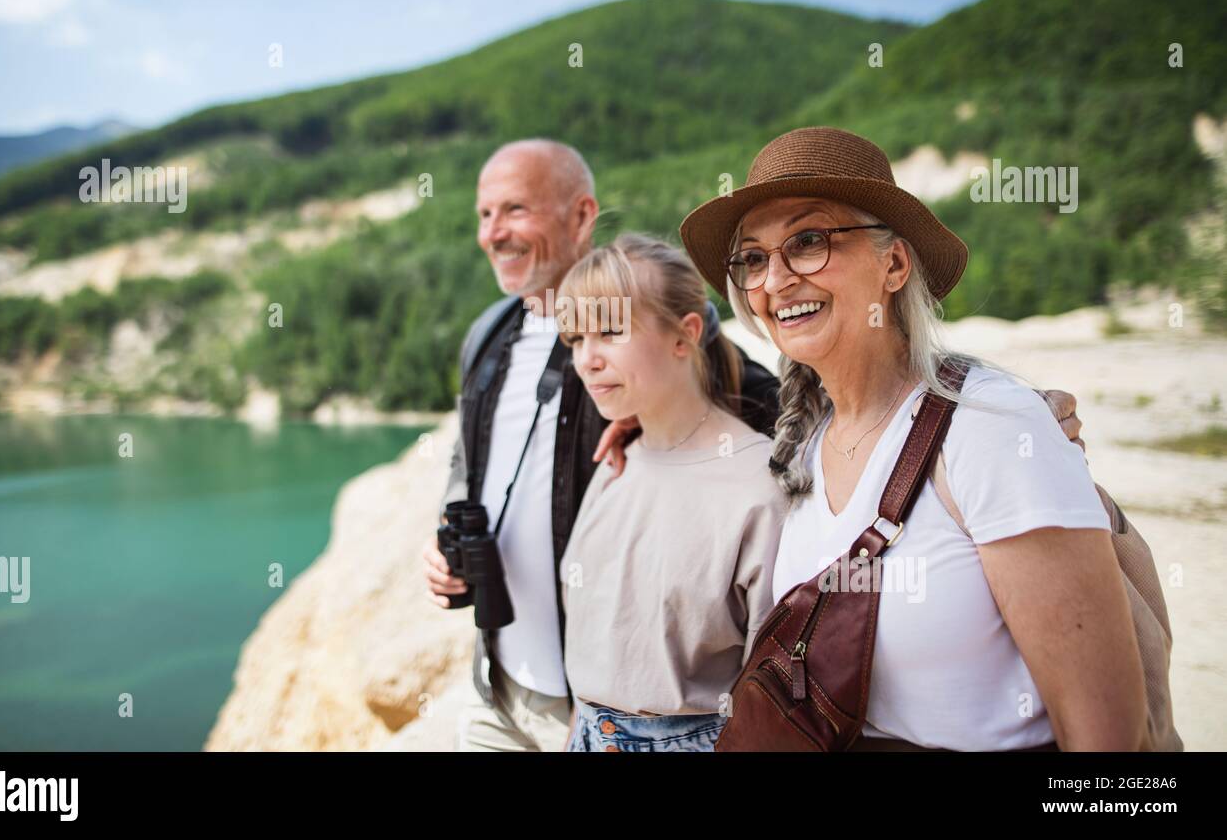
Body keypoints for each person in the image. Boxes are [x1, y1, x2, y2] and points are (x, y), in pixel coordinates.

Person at [678, 125, 1148, 750]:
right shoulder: (805, 443)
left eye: (809, 241)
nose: (776, 279)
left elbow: (1108, 749)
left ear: (894, 263)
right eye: (754, 258)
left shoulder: (991, 428)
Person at [421, 138, 782, 751]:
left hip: (600, 707)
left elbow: (772, 414)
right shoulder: (488, 332)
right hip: (501, 681)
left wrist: (659, 418)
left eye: (514, 210)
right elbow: (469, 457)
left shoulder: (656, 331)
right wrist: (446, 534)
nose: (493, 233)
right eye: (484, 215)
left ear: (582, 215)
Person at [553, 233, 789, 752]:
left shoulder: (757, 489)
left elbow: (772, 698)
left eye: (609, 330)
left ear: (685, 335)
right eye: (574, 339)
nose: (586, 360)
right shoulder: (616, 463)